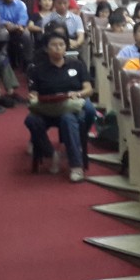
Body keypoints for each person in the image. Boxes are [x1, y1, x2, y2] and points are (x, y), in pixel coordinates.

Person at [25, 32, 95, 182]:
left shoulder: (76, 64)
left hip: (69, 107)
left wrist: (78, 94)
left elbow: (88, 89)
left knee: (68, 120)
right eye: (54, 45)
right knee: (31, 120)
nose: (58, 48)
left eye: (61, 45)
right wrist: (33, 97)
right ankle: (51, 153)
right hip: (46, 109)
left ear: (66, 47)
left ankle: (76, 166)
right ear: (46, 49)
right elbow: (33, 92)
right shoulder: (38, 69)